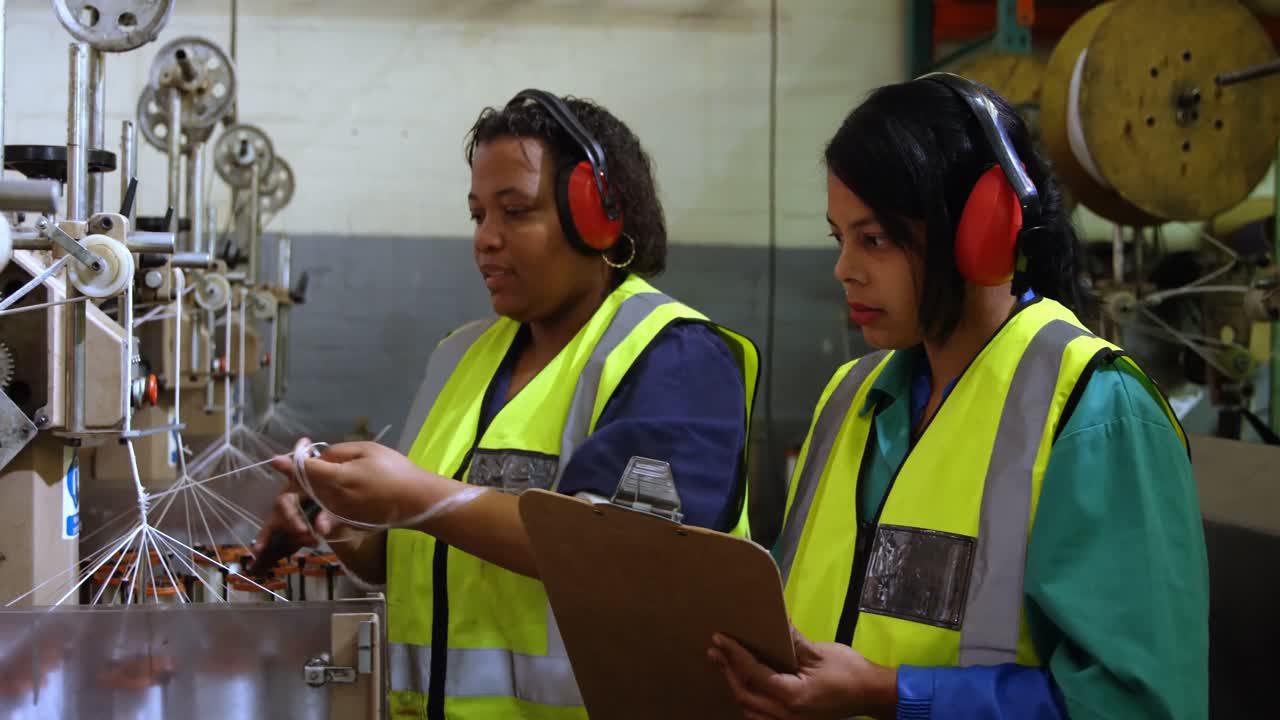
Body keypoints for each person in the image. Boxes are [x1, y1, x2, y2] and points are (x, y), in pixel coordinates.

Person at [708, 74, 1208, 719]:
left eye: (876, 239)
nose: (844, 269)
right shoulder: (852, 397)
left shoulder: (1096, 412)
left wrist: (888, 693)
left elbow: (1136, 705)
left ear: (981, 231)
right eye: (841, 238)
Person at [257, 89, 759, 720]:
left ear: (599, 218)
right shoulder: (460, 357)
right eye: (477, 216)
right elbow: (426, 549)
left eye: (515, 212)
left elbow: (628, 558)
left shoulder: (672, 357)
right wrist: (340, 522)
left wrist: (414, 495)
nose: (485, 241)